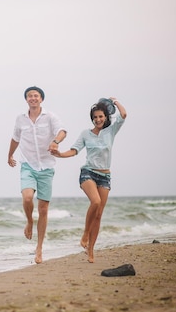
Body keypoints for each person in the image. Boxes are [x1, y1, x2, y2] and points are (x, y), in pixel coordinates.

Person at [51, 97, 127, 263]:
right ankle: (85, 233)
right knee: (95, 202)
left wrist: (115, 101)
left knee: (99, 215)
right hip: (88, 173)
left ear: (106, 117)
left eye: (101, 116)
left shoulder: (111, 131)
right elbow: (74, 150)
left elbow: (124, 114)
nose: (98, 119)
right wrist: (60, 154)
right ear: (92, 118)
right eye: (95, 117)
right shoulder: (86, 134)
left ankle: (91, 249)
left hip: (105, 176)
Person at [8, 86, 67, 264]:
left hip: (47, 167)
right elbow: (15, 138)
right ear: (26, 99)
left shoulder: (50, 117)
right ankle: (28, 222)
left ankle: (39, 248)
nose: (33, 98)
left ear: (41, 98)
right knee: (27, 198)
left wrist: (56, 142)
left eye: (36, 95)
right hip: (28, 165)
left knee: (43, 209)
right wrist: (9, 155)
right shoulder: (20, 119)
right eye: (29, 96)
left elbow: (62, 131)